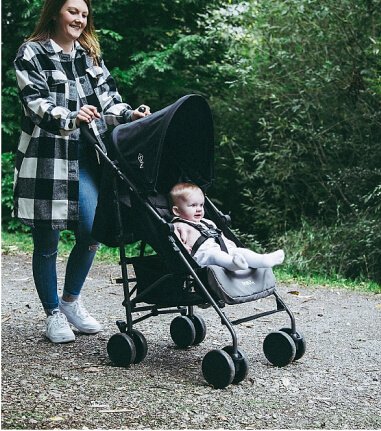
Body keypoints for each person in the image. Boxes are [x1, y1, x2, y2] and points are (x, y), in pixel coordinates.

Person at [13, 0, 151, 344]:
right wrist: (70, 117)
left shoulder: (88, 55)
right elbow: (35, 103)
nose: (79, 19)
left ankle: (70, 301)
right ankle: (52, 314)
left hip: (87, 157)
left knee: (93, 230)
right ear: (56, 12)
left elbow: (108, 100)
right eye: (73, 11)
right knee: (48, 240)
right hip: (47, 157)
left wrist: (129, 114)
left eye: (84, 14)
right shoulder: (31, 53)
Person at [169, 182, 285, 271]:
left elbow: (220, 235)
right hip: (203, 256)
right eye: (193, 205)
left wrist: (229, 243)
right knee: (216, 255)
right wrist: (184, 248)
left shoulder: (207, 222)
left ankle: (263, 260)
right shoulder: (179, 225)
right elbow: (176, 242)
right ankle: (234, 265)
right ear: (177, 211)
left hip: (222, 249)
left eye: (201, 205)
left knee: (240, 251)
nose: (199, 209)